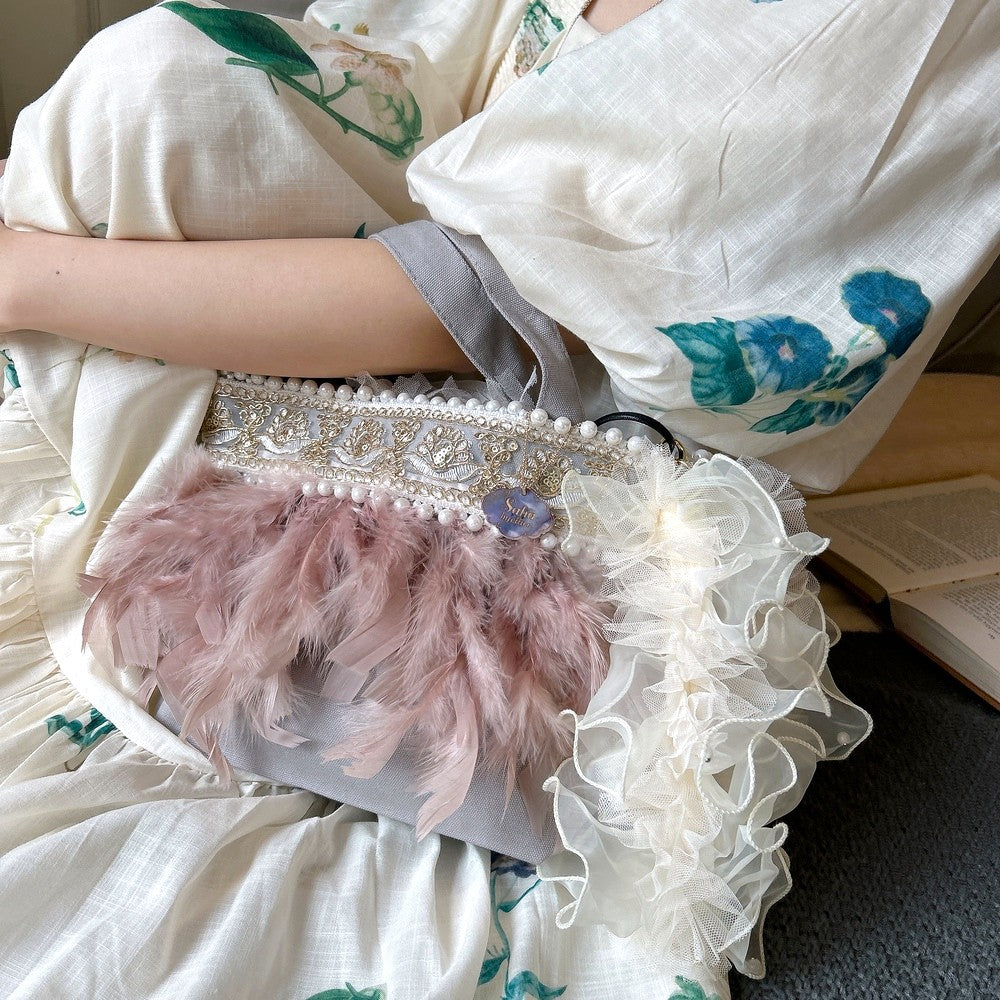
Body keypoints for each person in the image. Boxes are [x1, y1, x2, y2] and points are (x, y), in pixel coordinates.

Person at [0, 1, 996, 998]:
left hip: (540, 458)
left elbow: (509, 306)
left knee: (149, 85)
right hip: (290, 364)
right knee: (152, 83)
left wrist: (30, 280)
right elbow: (399, 97)